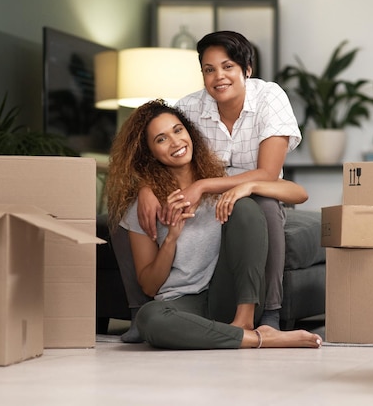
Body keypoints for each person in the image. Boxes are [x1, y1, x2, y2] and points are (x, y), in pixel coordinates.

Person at [106, 99, 321, 350]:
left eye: (178, 130)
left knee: (246, 206)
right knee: (149, 318)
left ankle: (244, 322)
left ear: (189, 132)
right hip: (183, 302)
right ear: (149, 153)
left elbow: (299, 193)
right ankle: (259, 339)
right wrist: (172, 237)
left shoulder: (220, 179)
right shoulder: (144, 207)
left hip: (230, 297)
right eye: (161, 139)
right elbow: (150, 285)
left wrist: (248, 185)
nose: (176, 142)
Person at [134, 31, 301, 334]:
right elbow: (160, 149)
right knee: (133, 211)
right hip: (213, 203)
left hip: (260, 190)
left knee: (259, 204)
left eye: (227, 67)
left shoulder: (269, 97)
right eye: (209, 70)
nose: (218, 77)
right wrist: (145, 187)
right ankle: (139, 312)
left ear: (246, 70)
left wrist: (202, 186)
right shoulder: (189, 108)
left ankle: (271, 315)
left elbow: (267, 172)